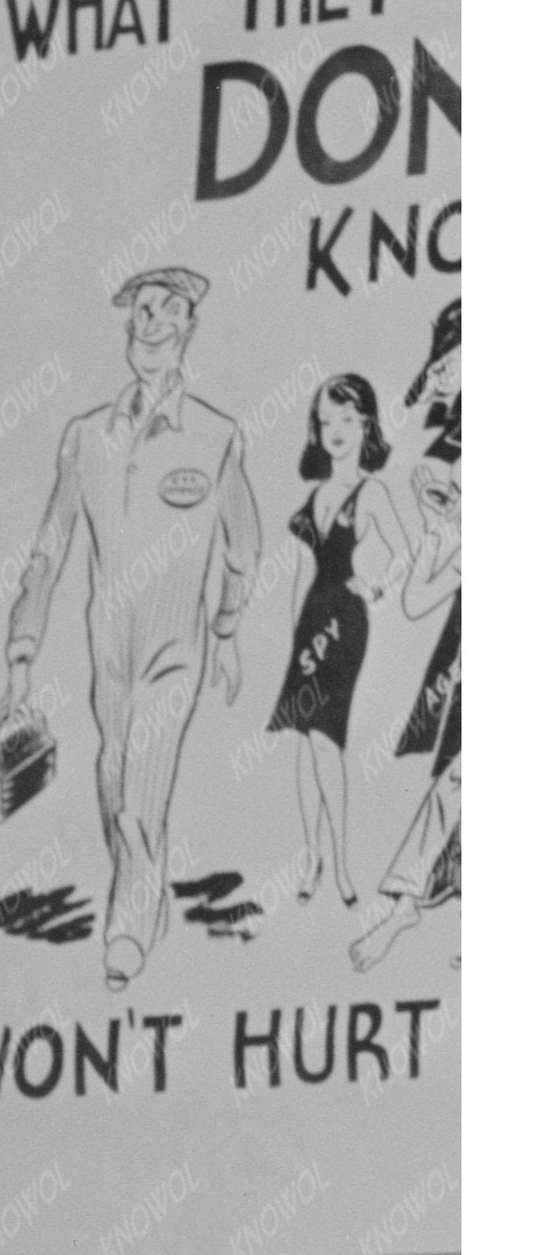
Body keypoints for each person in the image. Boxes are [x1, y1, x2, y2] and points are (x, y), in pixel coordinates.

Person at [0, 259, 261, 984]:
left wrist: (228, 629)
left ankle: (128, 932)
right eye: (140, 310)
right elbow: (49, 548)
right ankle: (145, 897)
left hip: (177, 651)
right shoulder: (86, 438)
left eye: (166, 310)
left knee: (143, 781)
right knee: (114, 776)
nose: (150, 323)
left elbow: (245, 546)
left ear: (189, 329)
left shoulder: (216, 435)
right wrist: (21, 654)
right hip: (108, 655)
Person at [264, 367, 395, 908]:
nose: (336, 429)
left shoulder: (371, 491)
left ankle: (340, 863)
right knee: (304, 737)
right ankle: (311, 856)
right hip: (311, 622)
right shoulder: (315, 494)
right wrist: (293, 637)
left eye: (347, 418)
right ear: (315, 430)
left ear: (366, 425)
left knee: (325, 739)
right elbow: (300, 573)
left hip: (346, 621)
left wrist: (380, 585)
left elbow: (409, 547)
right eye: (326, 419)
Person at [355, 304, 458, 973]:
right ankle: (400, 903)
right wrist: (452, 538)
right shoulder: (443, 466)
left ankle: (403, 903)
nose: (444, 379)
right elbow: (422, 597)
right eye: (444, 366)